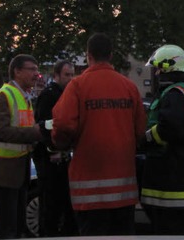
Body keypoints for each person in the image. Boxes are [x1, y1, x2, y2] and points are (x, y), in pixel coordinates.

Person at [52, 33, 146, 236]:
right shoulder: (129, 87)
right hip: (123, 190)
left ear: (88, 56)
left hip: (89, 192)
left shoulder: (77, 86)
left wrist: (61, 144)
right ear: (111, 55)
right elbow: (140, 130)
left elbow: (62, 125)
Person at [140, 44, 184, 235]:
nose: (157, 74)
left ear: (170, 68)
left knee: (170, 232)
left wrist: (145, 139)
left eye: (159, 68)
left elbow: (170, 129)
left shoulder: (175, 95)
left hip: (176, 182)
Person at [0, 54, 44, 239]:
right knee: (5, 227)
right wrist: (35, 133)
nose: (36, 74)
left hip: (17, 169)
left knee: (15, 226)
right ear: (17, 71)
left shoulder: (25, 97)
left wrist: (45, 130)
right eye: (31, 69)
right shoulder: (4, 96)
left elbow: (26, 128)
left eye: (36, 69)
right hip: (2, 171)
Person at [33, 59, 78, 237]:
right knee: (50, 207)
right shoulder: (49, 95)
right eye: (67, 74)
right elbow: (44, 126)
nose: (70, 78)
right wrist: (53, 150)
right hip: (50, 160)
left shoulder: (67, 94)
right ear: (56, 76)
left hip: (63, 159)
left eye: (72, 74)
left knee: (66, 206)